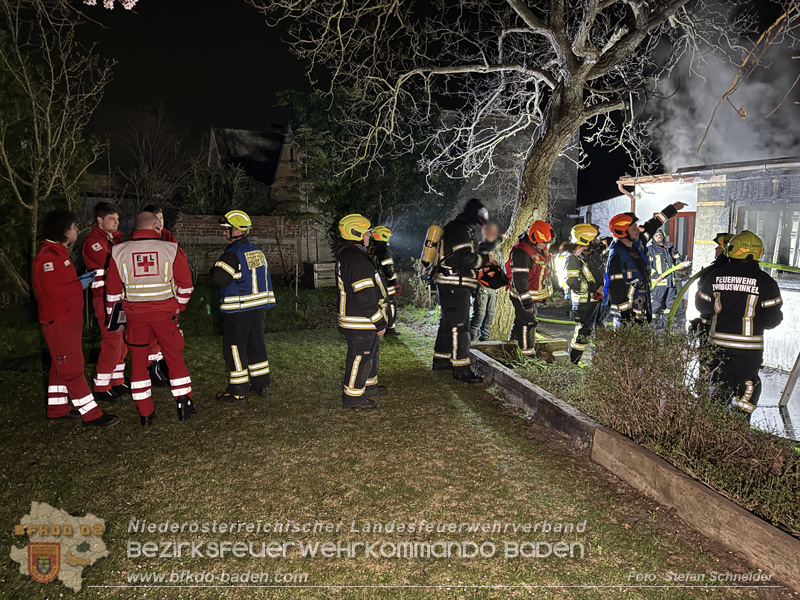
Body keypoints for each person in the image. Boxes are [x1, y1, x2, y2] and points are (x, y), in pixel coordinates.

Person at [106, 211, 195, 425]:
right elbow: (186, 286)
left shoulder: (118, 251)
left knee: (138, 362)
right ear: (156, 226)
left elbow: (112, 292)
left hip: (134, 317)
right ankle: (184, 404)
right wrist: (178, 307)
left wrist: (115, 321)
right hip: (165, 315)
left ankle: (145, 413)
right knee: (174, 357)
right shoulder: (171, 249)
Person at [33, 209, 119, 427]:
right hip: (59, 320)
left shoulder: (57, 253)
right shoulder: (48, 258)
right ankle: (91, 414)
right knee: (71, 366)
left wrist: (79, 281)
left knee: (60, 363)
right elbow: (56, 292)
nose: (76, 230)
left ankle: (57, 408)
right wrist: (79, 284)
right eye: (72, 227)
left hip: (67, 319)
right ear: (62, 231)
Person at [696, 231, 783, 421]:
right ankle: (739, 424)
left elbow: (702, 306)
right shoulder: (767, 282)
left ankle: (714, 425)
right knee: (749, 385)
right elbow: (772, 320)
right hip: (748, 349)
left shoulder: (715, 275)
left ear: (733, 250)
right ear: (759, 253)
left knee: (720, 383)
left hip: (718, 343)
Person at [210, 210, 276, 403]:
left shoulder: (232, 254)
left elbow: (219, 278)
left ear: (237, 230)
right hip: (258, 310)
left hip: (238, 310)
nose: (224, 233)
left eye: (226, 229)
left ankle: (238, 391)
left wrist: (214, 268)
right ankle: (260, 383)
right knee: (256, 345)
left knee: (234, 348)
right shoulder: (257, 251)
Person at [335, 214, 388, 409]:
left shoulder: (353, 256)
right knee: (360, 357)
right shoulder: (356, 260)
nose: (369, 236)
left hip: (361, 319)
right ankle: (354, 398)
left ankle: (369, 385)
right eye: (366, 233)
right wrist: (379, 322)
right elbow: (365, 298)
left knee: (370, 354)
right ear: (355, 233)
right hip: (360, 320)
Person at [432, 198, 488, 382]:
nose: (482, 217)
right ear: (474, 211)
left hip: (451, 284)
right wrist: (485, 261)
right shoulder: (458, 229)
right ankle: (462, 369)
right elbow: (466, 258)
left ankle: (441, 360)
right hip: (454, 284)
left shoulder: (460, 228)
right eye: (481, 212)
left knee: (448, 324)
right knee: (460, 326)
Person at [604, 202, 686, 326]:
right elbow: (615, 288)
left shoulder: (638, 244)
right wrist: (626, 315)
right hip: (626, 316)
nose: (638, 230)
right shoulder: (617, 255)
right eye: (633, 229)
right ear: (622, 232)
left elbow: (653, 225)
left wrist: (672, 209)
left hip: (641, 310)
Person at [82, 202, 130, 403]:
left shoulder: (113, 240)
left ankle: (116, 380)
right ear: (99, 220)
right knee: (112, 340)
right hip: (104, 298)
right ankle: (101, 386)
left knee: (121, 340)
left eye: (117, 219)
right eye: (111, 218)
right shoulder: (94, 242)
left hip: (118, 298)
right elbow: (113, 262)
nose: (116, 222)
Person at [507, 220, 555, 357]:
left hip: (531, 296)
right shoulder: (521, 253)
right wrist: (526, 301)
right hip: (523, 297)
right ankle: (527, 356)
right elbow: (520, 280)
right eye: (544, 243)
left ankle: (511, 351)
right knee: (528, 324)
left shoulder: (537, 248)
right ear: (534, 239)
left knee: (520, 323)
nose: (546, 246)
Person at [565, 224, 605, 366]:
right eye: (594, 238)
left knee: (601, 331)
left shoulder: (591, 253)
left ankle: (599, 362)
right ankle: (573, 363)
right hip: (584, 302)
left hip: (598, 300)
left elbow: (608, 241)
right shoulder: (572, 258)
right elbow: (571, 282)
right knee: (583, 333)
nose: (596, 241)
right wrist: (595, 288)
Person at [691, 232, 734, 337]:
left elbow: (703, 303)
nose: (716, 249)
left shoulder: (717, 270)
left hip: (711, 322)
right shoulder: (729, 267)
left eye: (719, 246)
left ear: (725, 248)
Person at [469, 222, 503, 341]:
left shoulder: (498, 253)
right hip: (481, 288)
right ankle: (471, 336)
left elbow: (502, 268)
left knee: (490, 315)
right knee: (479, 314)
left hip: (493, 289)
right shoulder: (481, 249)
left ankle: (485, 337)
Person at [648, 229, 683, 328]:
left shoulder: (670, 248)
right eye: (656, 235)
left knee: (670, 303)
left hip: (670, 281)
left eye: (660, 234)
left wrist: (680, 263)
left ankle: (668, 321)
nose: (659, 236)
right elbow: (648, 265)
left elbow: (677, 258)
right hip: (659, 282)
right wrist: (655, 276)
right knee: (656, 303)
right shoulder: (651, 250)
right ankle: (653, 321)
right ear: (653, 238)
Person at [370, 226, 400, 335]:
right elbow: (389, 270)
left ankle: (378, 326)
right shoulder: (384, 251)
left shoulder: (371, 249)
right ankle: (390, 328)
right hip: (387, 284)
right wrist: (395, 283)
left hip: (375, 284)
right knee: (391, 304)